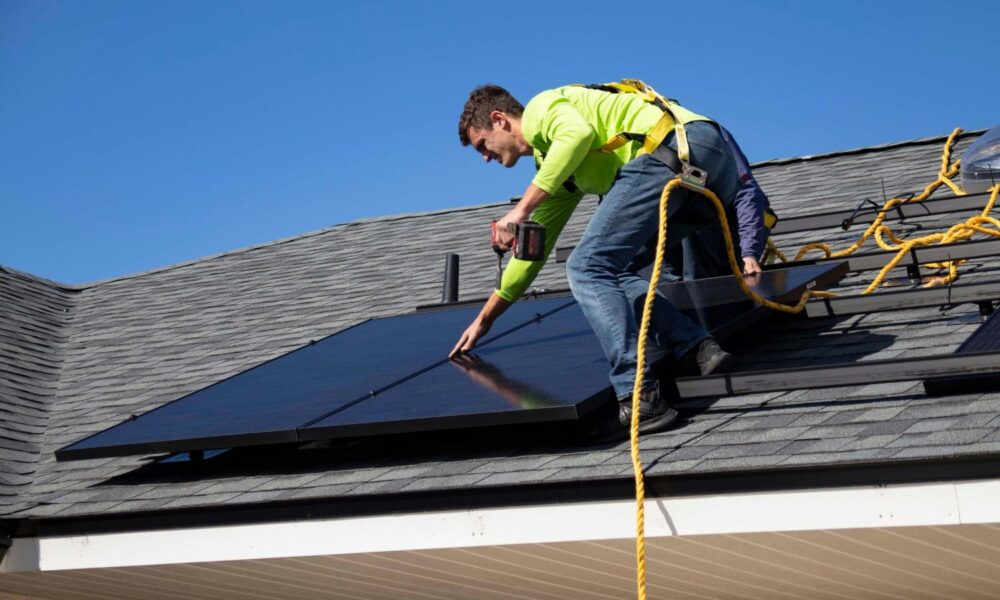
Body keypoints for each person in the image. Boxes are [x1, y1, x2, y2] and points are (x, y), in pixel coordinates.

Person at [450, 82, 767, 435]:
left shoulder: (542, 110)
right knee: (615, 271)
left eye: (482, 144)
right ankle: (695, 345)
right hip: (707, 172)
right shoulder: (555, 169)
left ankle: (639, 395)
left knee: (586, 266)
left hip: (672, 148)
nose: (485, 157)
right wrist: (484, 320)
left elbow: (577, 134)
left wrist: (520, 210)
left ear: (500, 120)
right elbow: (531, 257)